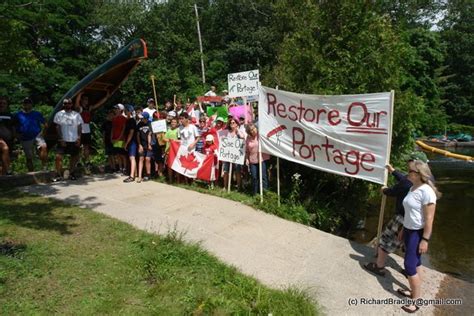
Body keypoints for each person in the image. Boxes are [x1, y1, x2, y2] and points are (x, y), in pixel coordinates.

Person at [364, 153, 430, 277]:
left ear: (416, 166)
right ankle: (414, 274)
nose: (407, 165)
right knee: (412, 249)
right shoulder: (425, 181)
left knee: (386, 241)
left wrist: (384, 190)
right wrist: (393, 171)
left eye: (410, 163)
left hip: (402, 219)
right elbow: (404, 179)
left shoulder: (408, 182)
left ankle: (379, 267)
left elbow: (393, 191)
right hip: (417, 222)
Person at [398, 160, 441, 313]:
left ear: (418, 174)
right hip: (409, 230)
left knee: (409, 265)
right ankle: (413, 291)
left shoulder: (426, 192)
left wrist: (425, 240)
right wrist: (403, 229)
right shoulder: (413, 188)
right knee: (416, 263)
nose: (407, 173)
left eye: (409, 171)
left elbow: (429, 219)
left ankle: (415, 301)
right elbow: (410, 213)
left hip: (418, 233)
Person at [53, 98, 83, 181]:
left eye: (69, 103)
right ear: (63, 104)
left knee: (75, 156)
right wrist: (61, 139)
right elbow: (57, 127)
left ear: (72, 104)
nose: (67, 105)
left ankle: (72, 173)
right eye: (66, 103)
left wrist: (79, 137)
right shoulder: (59, 114)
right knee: (58, 157)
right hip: (63, 139)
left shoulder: (76, 114)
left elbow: (79, 126)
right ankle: (58, 175)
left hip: (74, 139)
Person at [14, 97, 48, 171]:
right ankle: (32, 174)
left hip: (37, 135)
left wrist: (43, 133)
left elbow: (45, 123)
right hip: (25, 137)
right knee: (29, 158)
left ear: (31, 104)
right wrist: (16, 135)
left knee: (44, 147)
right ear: (22, 104)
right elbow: (13, 126)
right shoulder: (17, 115)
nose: (27, 104)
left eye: (28, 103)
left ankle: (44, 168)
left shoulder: (37, 113)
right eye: (25, 103)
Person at [245, 123, 270, 195]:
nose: (253, 131)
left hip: (262, 159)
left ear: (256, 128)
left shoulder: (261, 135)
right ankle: (255, 193)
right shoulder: (248, 138)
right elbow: (247, 150)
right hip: (252, 160)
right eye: (251, 130)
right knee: (254, 177)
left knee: (263, 177)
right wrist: (246, 159)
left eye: (254, 128)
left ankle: (265, 193)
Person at [222, 117, 245, 191]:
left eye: (234, 123)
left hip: (236, 155)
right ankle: (225, 187)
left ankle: (239, 188)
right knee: (226, 171)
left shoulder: (240, 132)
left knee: (238, 172)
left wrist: (237, 131)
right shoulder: (226, 132)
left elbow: (242, 137)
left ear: (237, 124)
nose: (232, 124)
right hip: (227, 155)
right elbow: (222, 140)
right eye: (231, 123)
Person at [111, 103, 128, 174]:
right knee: (117, 155)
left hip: (121, 139)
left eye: (117, 109)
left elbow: (124, 129)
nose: (115, 110)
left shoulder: (124, 118)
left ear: (120, 110)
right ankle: (120, 168)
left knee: (122, 155)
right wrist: (111, 137)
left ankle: (125, 168)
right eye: (115, 109)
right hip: (115, 139)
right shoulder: (114, 118)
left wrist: (119, 138)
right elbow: (113, 128)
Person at [136, 112, 153, 182]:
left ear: (145, 118)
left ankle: (148, 175)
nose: (140, 119)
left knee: (147, 159)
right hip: (142, 144)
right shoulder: (139, 124)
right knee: (141, 158)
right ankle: (139, 176)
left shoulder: (150, 124)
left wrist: (149, 144)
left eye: (142, 118)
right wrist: (139, 145)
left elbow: (150, 134)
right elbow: (137, 135)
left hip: (149, 144)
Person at [0, 96, 15, 175]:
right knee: (5, 148)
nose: (2, 104)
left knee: (4, 159)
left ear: (7, 105)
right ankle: (9, 170)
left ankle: (4, 179)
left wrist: (14, 137)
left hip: (9, 139)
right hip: (0, 139)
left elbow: (13, 127)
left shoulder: (10, 115)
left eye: (4, 103)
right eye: (0, 103)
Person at [123, 105, 137, 183]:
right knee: (131, 158)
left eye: (126, 110)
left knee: (132, 158)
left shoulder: (131, 120)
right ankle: (133, 174)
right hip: (130, 142)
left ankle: (132, 176)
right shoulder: (128, 120)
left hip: (132, 142)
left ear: (129, 111)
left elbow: (131, 133)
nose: (125, 112)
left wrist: (127, 143)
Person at [163, 117, 179, 183]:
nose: (173, 123)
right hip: (168, 151)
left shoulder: (178, 130)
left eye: (175, 122)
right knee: (169, 166)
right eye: (172, 122)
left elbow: (179, 140)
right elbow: (164, 138)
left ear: (177, 123)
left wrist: (174, 141)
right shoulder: (168, 130)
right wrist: (170, 140)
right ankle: (170, 180)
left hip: (176, 151)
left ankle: (177, 180)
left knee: (177, 166)